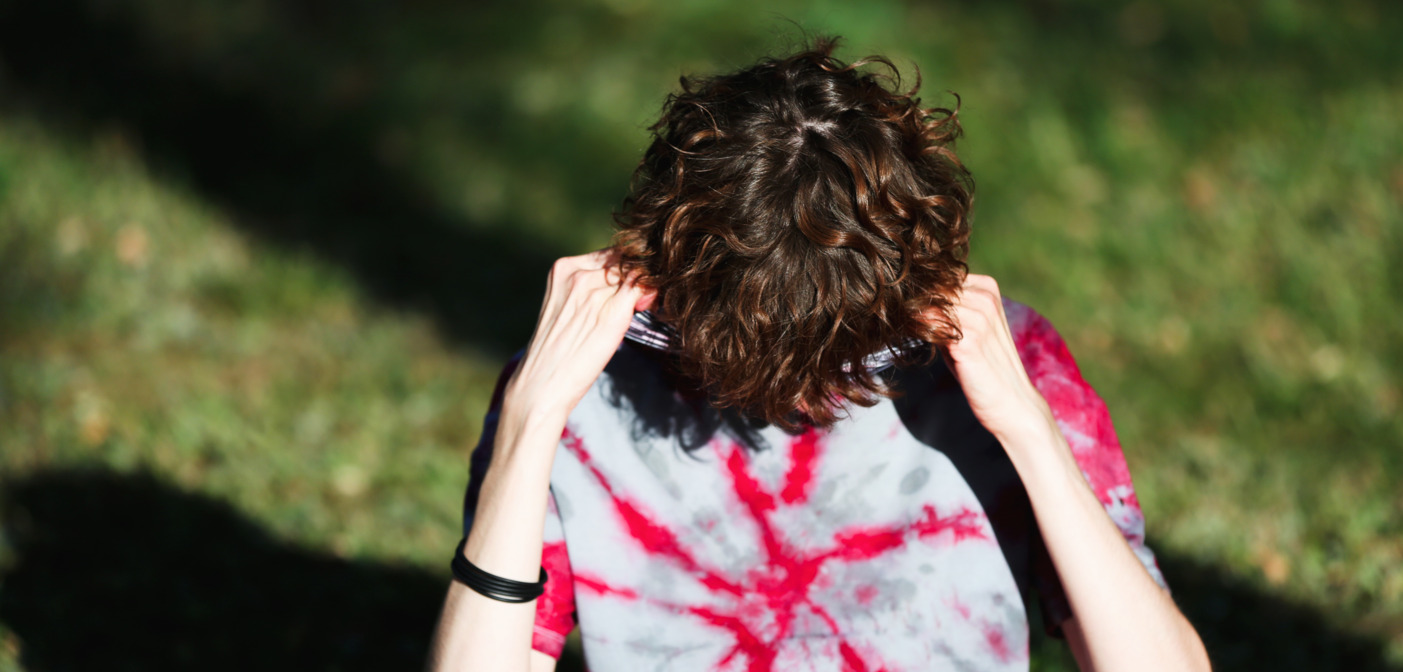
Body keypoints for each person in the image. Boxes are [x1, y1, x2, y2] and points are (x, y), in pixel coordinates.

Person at [427, 38, 1211, 672]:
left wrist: (1032, 436)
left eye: (861, 365)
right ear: (665, 292)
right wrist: (532, 421)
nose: (804, 409)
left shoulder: (1003, 366)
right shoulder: (575, 382)